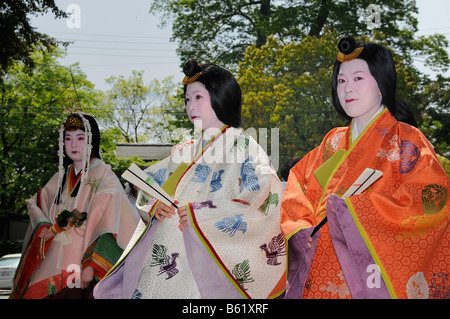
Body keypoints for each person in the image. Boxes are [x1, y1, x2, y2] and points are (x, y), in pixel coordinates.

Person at [94, 59, 286, 299]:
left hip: (207, 257)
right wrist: (154, 204)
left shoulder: (245, 145)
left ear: (221, 96)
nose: (190, 106)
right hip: (166, 254)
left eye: (198, 97)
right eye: (187, 99)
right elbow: (149, 183)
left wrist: (202, 212)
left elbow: (262, 194)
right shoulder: (182, 151)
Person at [280, 36, 450, 299]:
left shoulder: (407, 139)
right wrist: (300, 229)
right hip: (320, 267)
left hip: (369, 275)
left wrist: (354, 214)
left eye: (358, 78)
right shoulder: (332, 141)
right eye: (341, 81)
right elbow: (298, 187)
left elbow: (432, 203)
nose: (348, 88)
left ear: (381, 84)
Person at [10, 112, 139, 299]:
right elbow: (34, 203)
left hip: (83, 267)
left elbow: (113, 222)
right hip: (53, 263)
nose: (73, 144)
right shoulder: (59, 178)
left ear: (92, 141)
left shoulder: (104, 175)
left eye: (80, 138)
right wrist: (44, 226)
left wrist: (91, 265)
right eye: (67, 138)